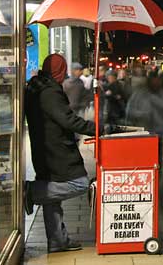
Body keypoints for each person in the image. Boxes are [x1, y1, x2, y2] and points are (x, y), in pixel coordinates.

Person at [24, 54, 98, 253]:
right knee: (80, 184)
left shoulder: (37, 86)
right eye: (62, 68)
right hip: (54, 149)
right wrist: (97, 128)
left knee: (52, 197)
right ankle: (31, 191)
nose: (65, 72)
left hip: (43, 148)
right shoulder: (49, 92)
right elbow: (68, 121)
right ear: (58, 69)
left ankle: (58, 240)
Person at [126, 70, 163, 163]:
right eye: (154, 80)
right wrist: (142, 114)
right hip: (144, 133)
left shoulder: (162, 94)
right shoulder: (139, 94)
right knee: (144, 160)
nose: (156, 83)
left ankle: (158, 175)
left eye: (158, 80)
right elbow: (129, 111)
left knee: (157, 161)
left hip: (158, 133)